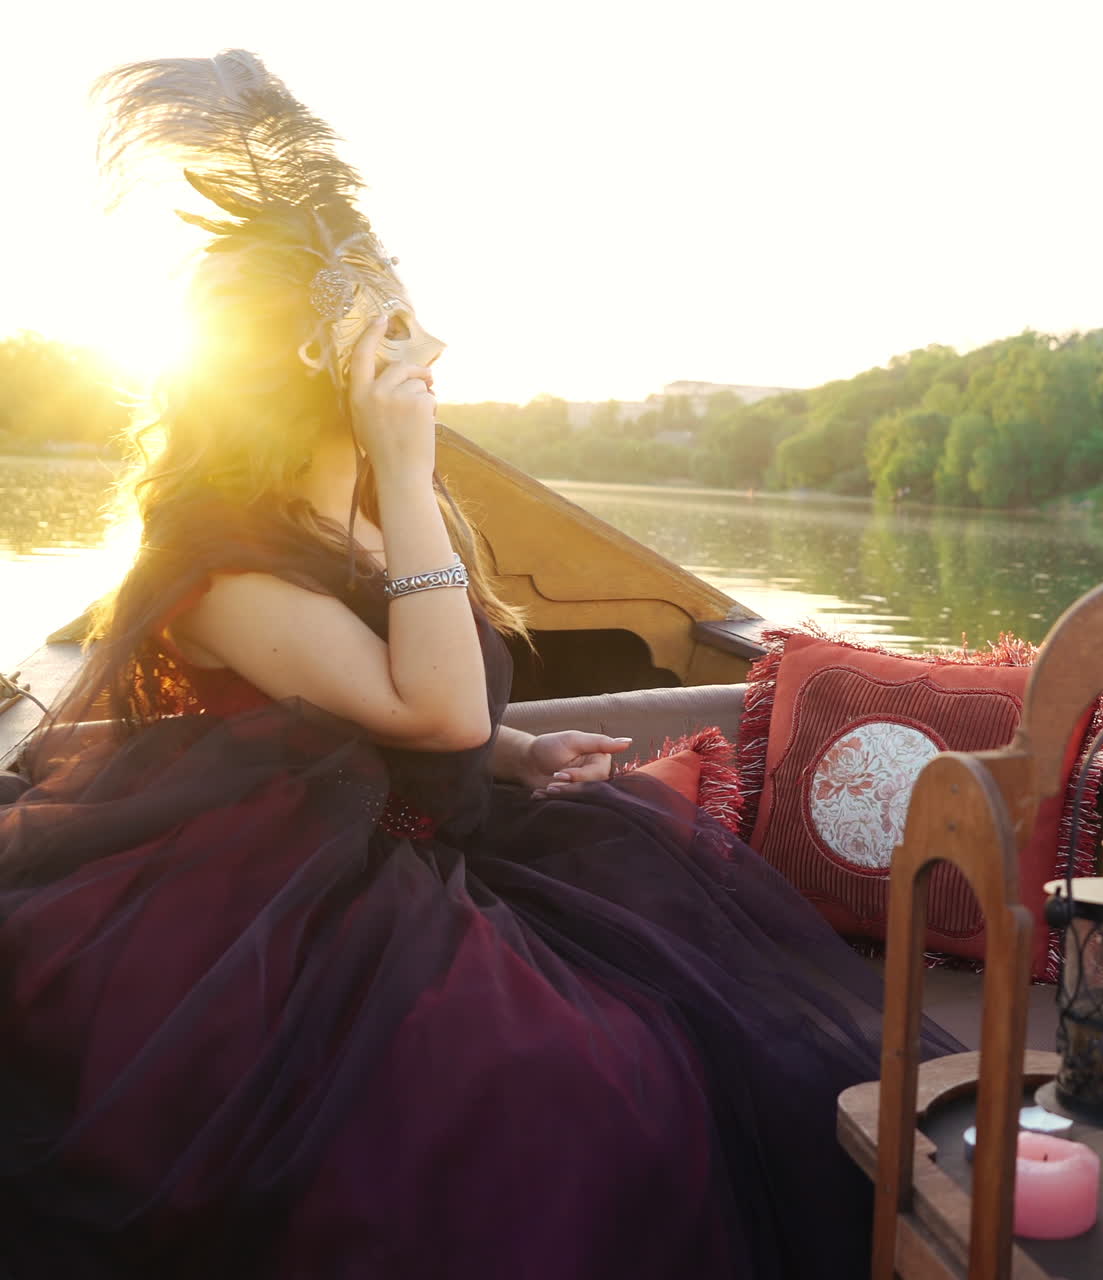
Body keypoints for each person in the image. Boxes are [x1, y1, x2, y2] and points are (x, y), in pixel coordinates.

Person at [0, 51, 961, 1279]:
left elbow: (424, 720)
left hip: (441, 849)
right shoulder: (222, 570)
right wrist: (407, 475)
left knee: (732, 1037)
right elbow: (436, 710)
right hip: (298, 912)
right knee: (574, 1089)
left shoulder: (374, 515)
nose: (432, 348)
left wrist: (518, 749)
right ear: (311, 366)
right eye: (392, 332)